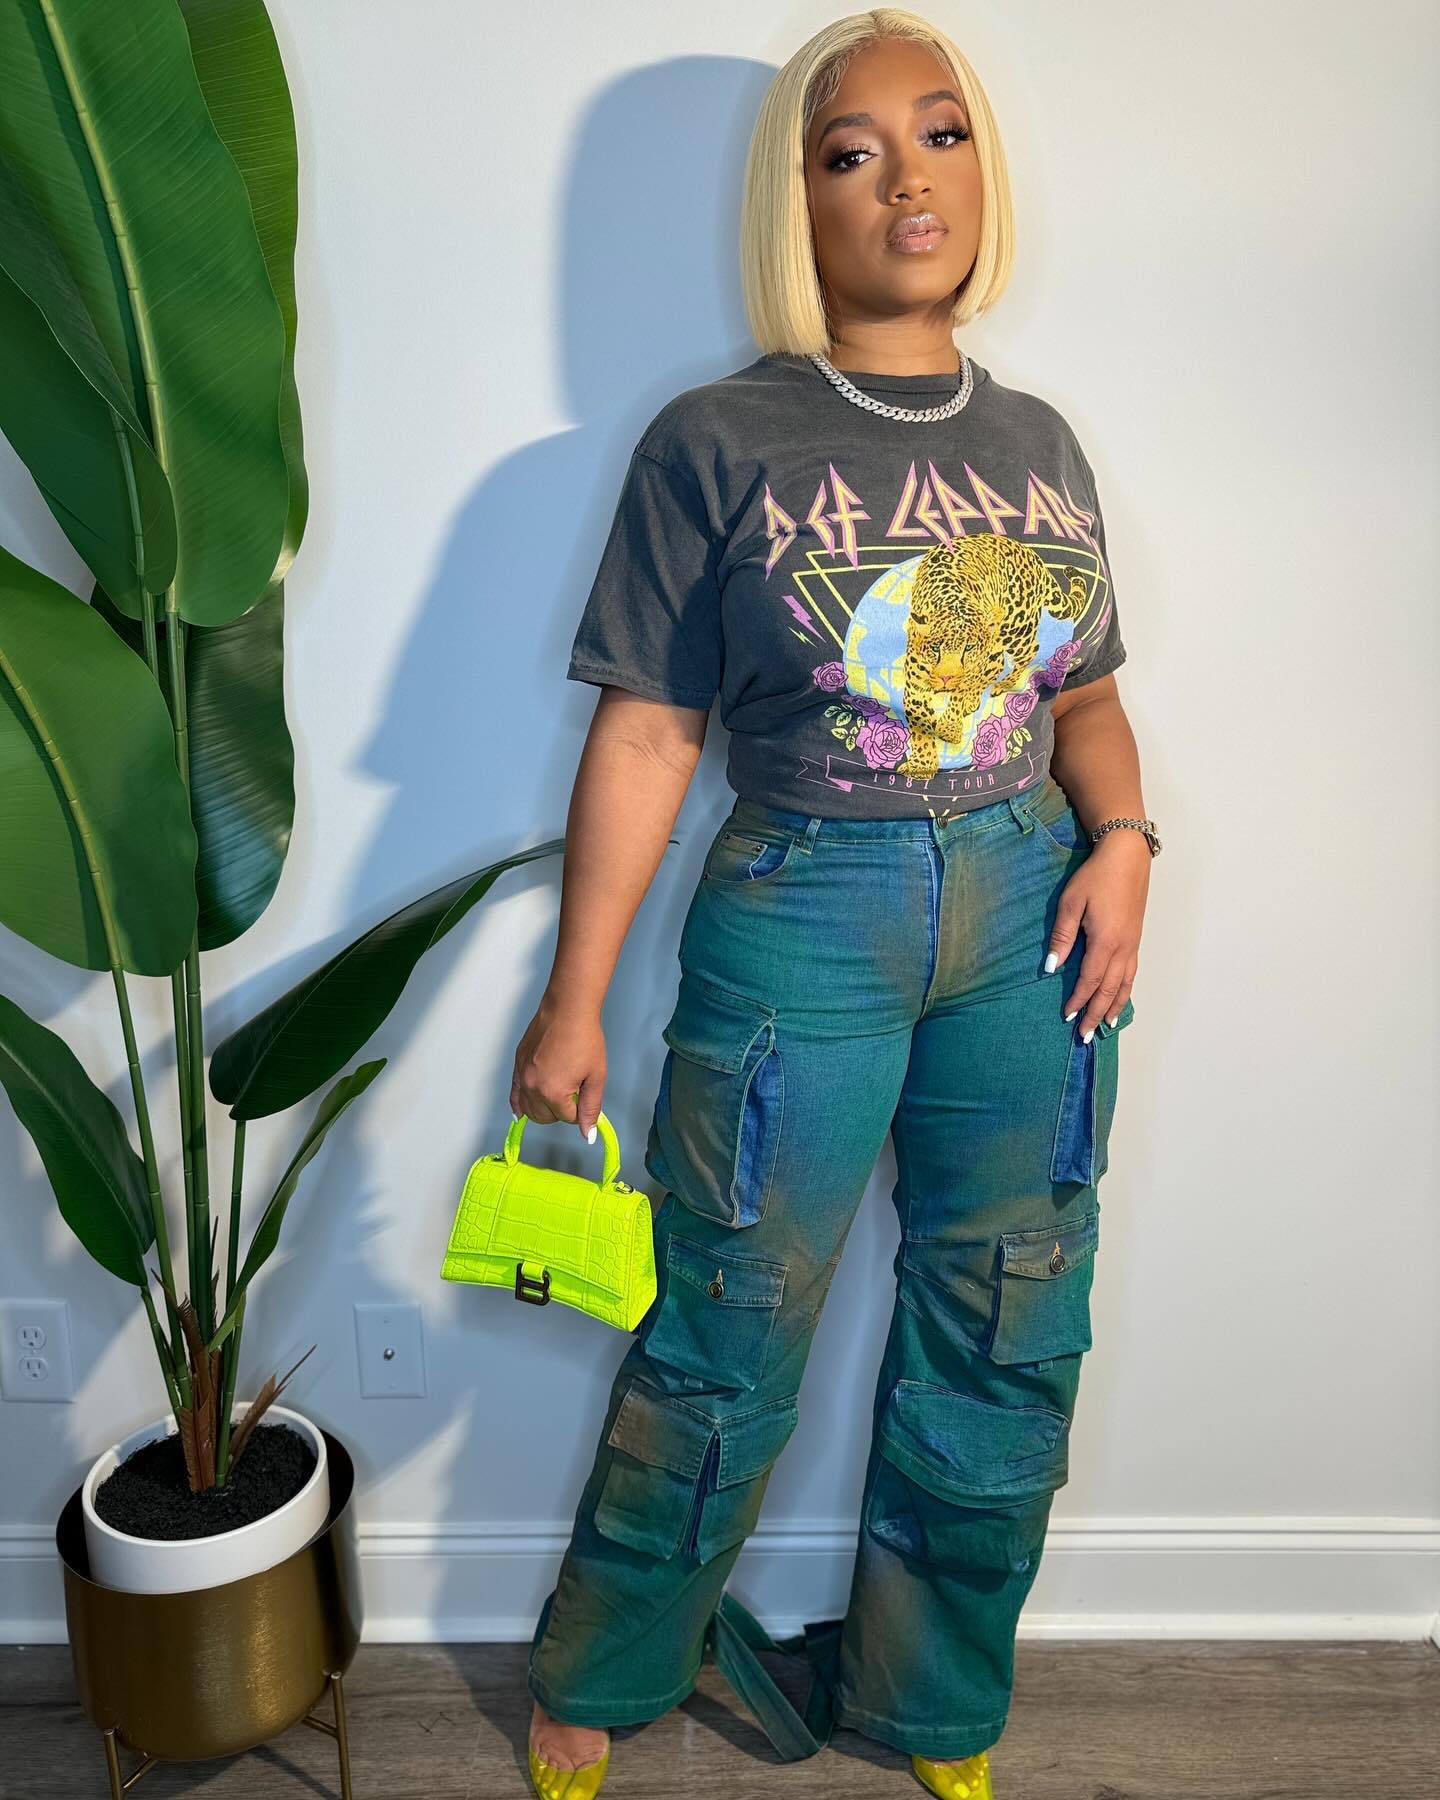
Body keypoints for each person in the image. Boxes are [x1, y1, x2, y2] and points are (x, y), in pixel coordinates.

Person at [515, 10, 1157, 1797]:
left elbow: (1088, 694)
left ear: (982, 174)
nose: (905, 181)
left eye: (940, 136)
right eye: (850, 151)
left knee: (1009, 1309)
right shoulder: (714, 438)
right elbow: (651, 731)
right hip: (808, 901)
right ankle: (611, 1665)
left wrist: (1125, 840)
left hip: (1029, 908)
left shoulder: (1039, 438)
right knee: (728, 1314)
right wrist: (575, 995)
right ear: (795, 203)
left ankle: (933, 1699)